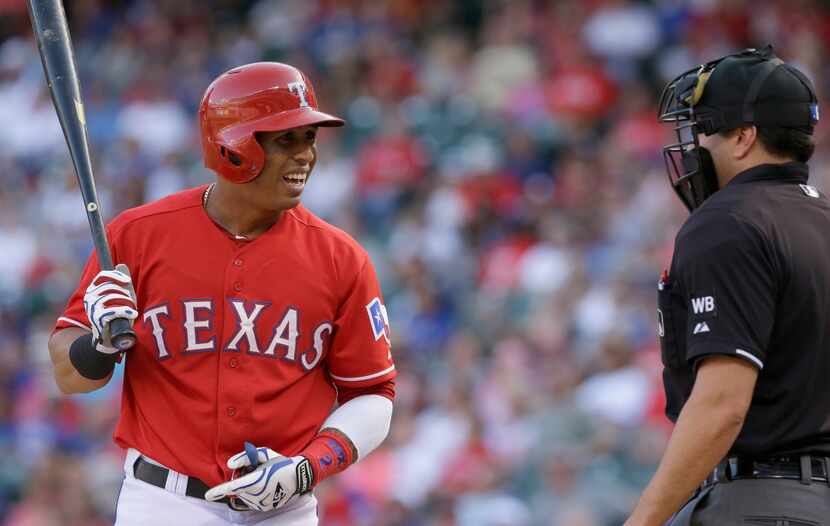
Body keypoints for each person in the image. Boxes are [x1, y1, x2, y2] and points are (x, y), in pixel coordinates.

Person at [48, 62, 396, 526]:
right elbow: (71, 377)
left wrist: (308, 468)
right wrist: (99, 346)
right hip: (163, 502)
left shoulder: (340, 258)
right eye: (284, 140)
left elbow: (373, 393)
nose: (305, 156)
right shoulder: (138, 236)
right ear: (232, 146)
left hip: (284, 508)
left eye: (308, 139)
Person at [625, 45, 829, 525]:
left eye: (702, 131)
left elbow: (721, 406)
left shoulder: (728, 222)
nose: (694, 147)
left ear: (743, 137)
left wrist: (643, 520)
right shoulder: (822, 218)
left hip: (765, 503)